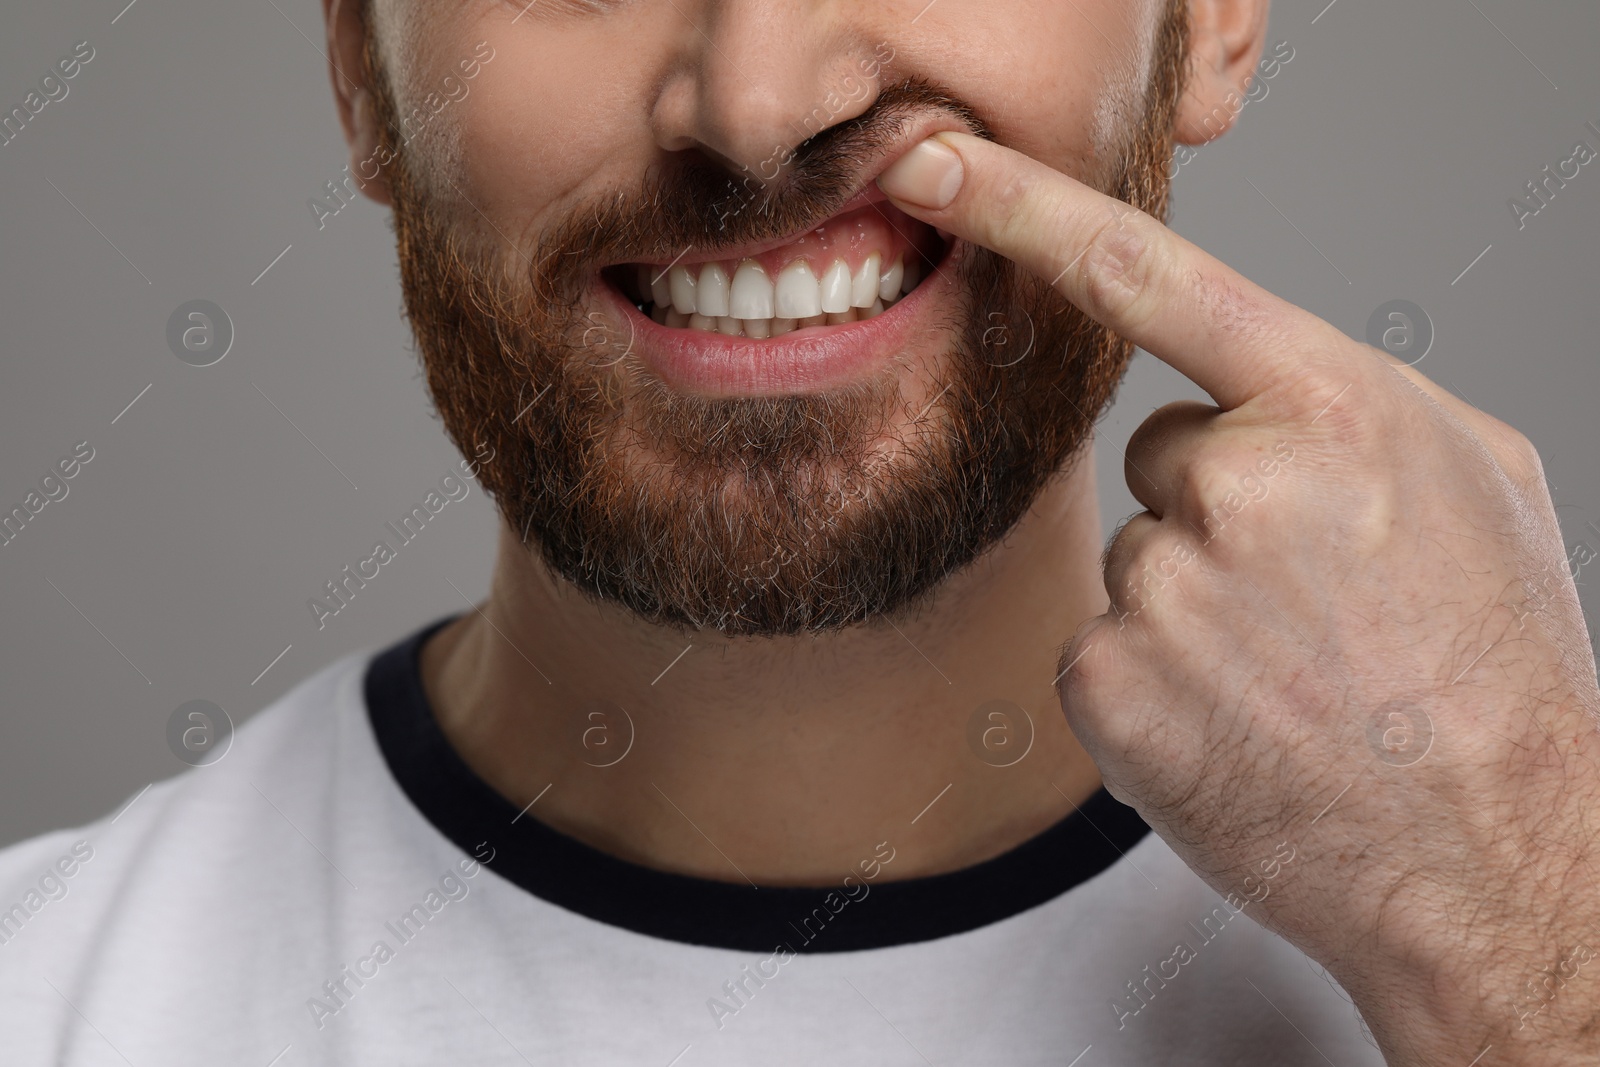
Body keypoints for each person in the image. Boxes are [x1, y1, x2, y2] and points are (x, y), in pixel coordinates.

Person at [3, 0, 1596, 1063]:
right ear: (360, 68)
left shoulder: (1539, 947)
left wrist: (1526, 960)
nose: (758, 107)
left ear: (1216, 20)